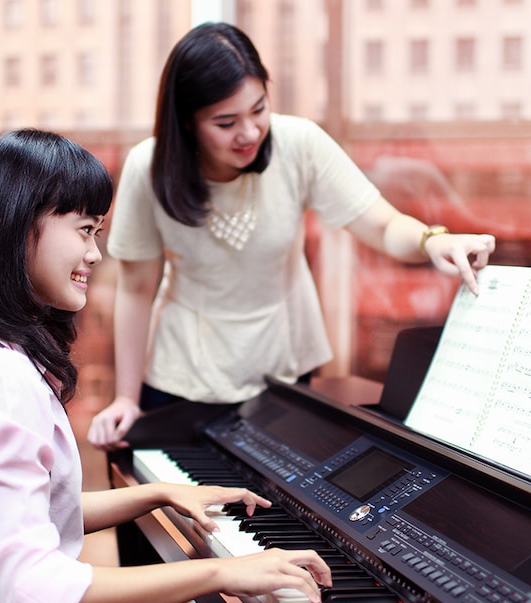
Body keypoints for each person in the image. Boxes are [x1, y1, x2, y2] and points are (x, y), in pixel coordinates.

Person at [0, 129, 332, 603]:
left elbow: (17, 517)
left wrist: (154, 494)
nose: (95, 253)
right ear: (20, 226)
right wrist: (223, 572)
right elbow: (30, 591)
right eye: (85, 230)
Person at [87, 21, 496, 453]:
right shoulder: (148, 166)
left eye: (259, 109)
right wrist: (126, 397)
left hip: (281, 367)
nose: (249, 132)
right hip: (183, 374)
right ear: (187, 122)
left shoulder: (299, 143)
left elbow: (382, 225)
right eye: (226, 122)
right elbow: (136, 288)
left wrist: (432, 240)